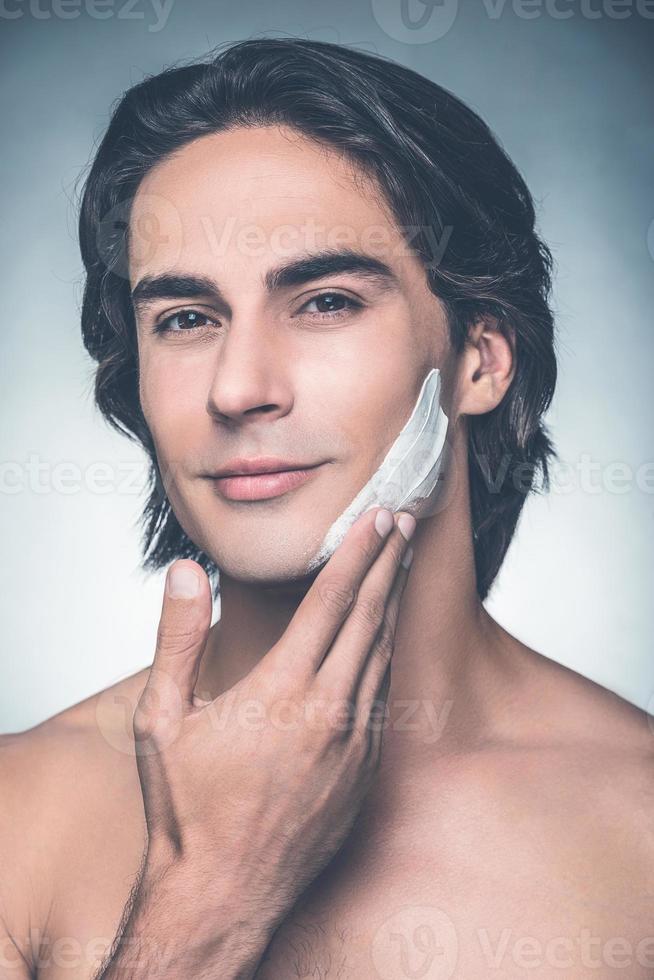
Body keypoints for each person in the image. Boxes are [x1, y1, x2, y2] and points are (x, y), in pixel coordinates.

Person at [1, 37, 652, 980]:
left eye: (326, 302)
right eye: (186, 319)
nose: (238, 388)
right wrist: (205, 896)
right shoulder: (18, 817)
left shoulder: (634, 822)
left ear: (480, 358)